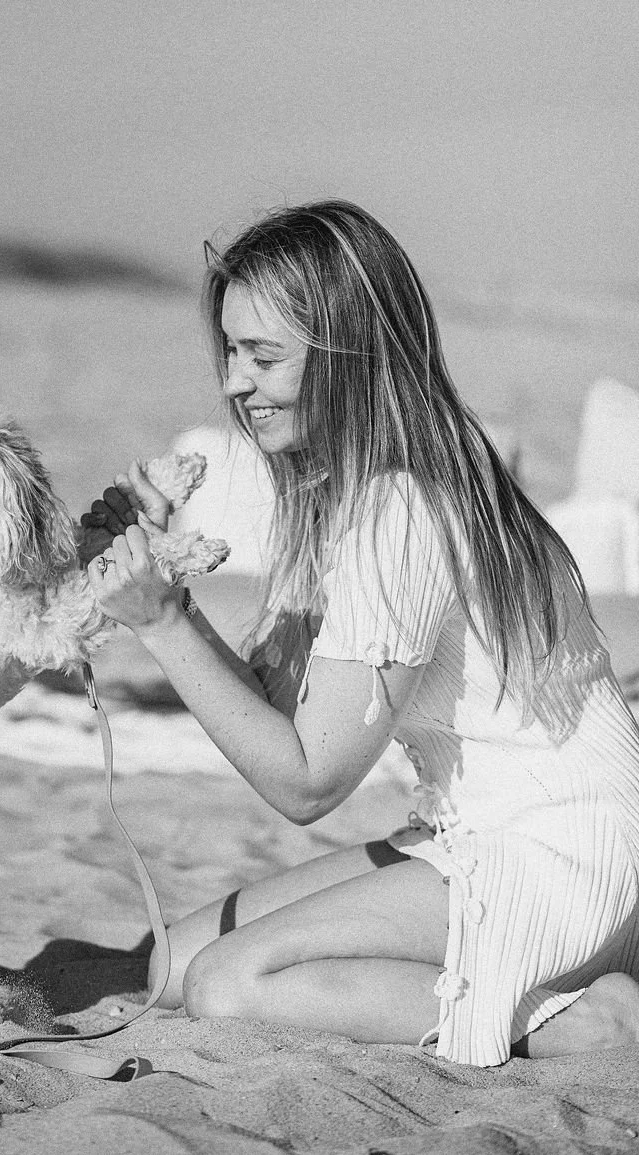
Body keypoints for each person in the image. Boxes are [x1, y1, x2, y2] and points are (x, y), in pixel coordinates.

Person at [78, 199, 639, 1067]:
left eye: (263, 356)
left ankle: (582, 1023)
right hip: (476, 823)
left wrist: (163, 619)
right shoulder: (353, 486)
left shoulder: (402, 508)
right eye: (230, 351)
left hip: (562, 844)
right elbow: (280, 709)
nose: (234, 382)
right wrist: (162, 576)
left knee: (235, 984)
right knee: (179, 959)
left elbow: (308, 784)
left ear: (349, 354)